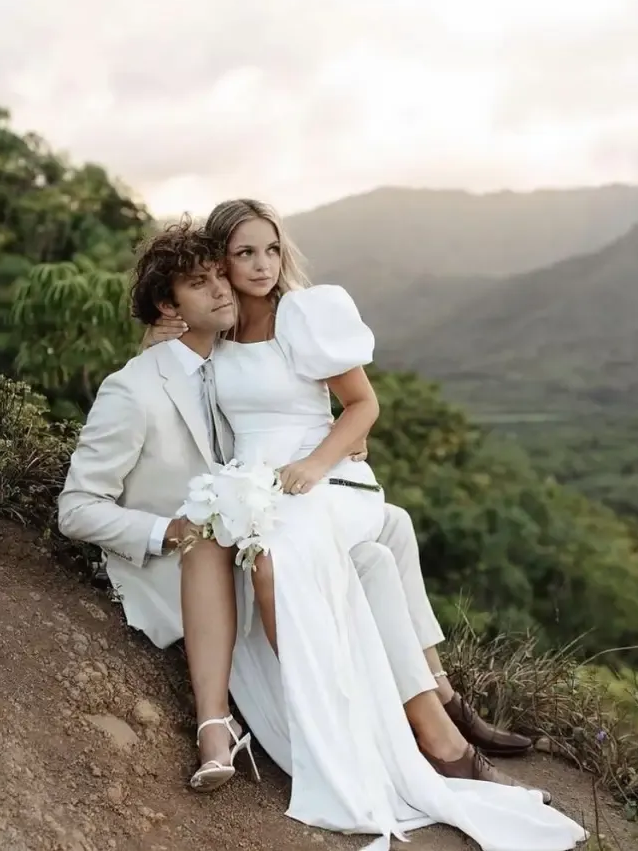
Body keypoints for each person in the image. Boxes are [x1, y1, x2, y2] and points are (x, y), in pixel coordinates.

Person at [143, 200, 585, 851]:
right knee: (364, 555)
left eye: (270, 249)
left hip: (325, 480)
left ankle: (413, 719)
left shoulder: (305, 314)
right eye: (244, 254)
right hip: (258, 484)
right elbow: (179, 398)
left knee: (292, 553)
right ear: (220, 263)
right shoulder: (218, 327)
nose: (261, 265)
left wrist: (316, 461)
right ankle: (393, 715)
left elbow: (362, 403)